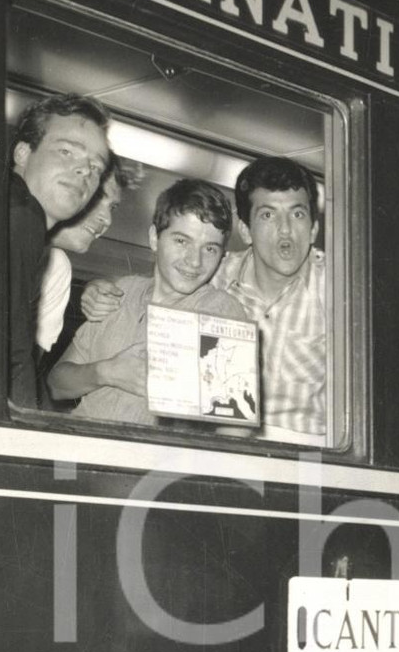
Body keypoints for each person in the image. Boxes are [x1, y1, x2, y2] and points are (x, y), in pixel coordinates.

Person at [83, 156, 326, 440]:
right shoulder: (212, 272)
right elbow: (154, 286)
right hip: (215, 445)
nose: (285, 229)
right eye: (268, 215)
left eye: (297, 214)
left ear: (314, 229)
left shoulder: (342, 295)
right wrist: (98, 287)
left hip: (306, 454)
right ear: (245, 230)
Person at [48, 179, 247, 426]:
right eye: (182, 241)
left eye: (210, 249)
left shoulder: (222, 313)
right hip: (76, 446)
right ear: (154, 238)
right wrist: (106, 372)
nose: (194, 261)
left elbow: (235, 425)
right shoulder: (121, 291)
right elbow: (57, 384)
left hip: (146, 461)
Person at [8, 93, 111, 406]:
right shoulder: (20, 215)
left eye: (95, 167)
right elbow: (10, 363)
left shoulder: (16, 217)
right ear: (23, 153)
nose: (84, 171)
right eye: (67, 151)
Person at [37, 159, 127, 357]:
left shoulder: (55, 266)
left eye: (112, 207)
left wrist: (84, 292)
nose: (107, 219)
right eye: (96, 198)